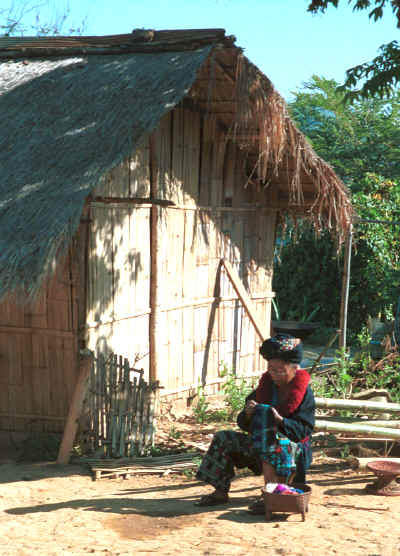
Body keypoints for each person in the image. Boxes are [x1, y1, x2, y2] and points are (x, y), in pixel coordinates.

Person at [195, 333, 315, 513]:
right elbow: (242, 423)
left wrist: (280, 420)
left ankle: (272, 495)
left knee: (275, 443)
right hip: (261, 447)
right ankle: (220, 492)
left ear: (294, 368)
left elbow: (303, 431)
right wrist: (248, 414)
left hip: (292, 451)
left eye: (279, 369)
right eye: (271, 369)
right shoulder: (265, 387)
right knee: (224, 438)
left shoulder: (304, 393)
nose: (274, 374)